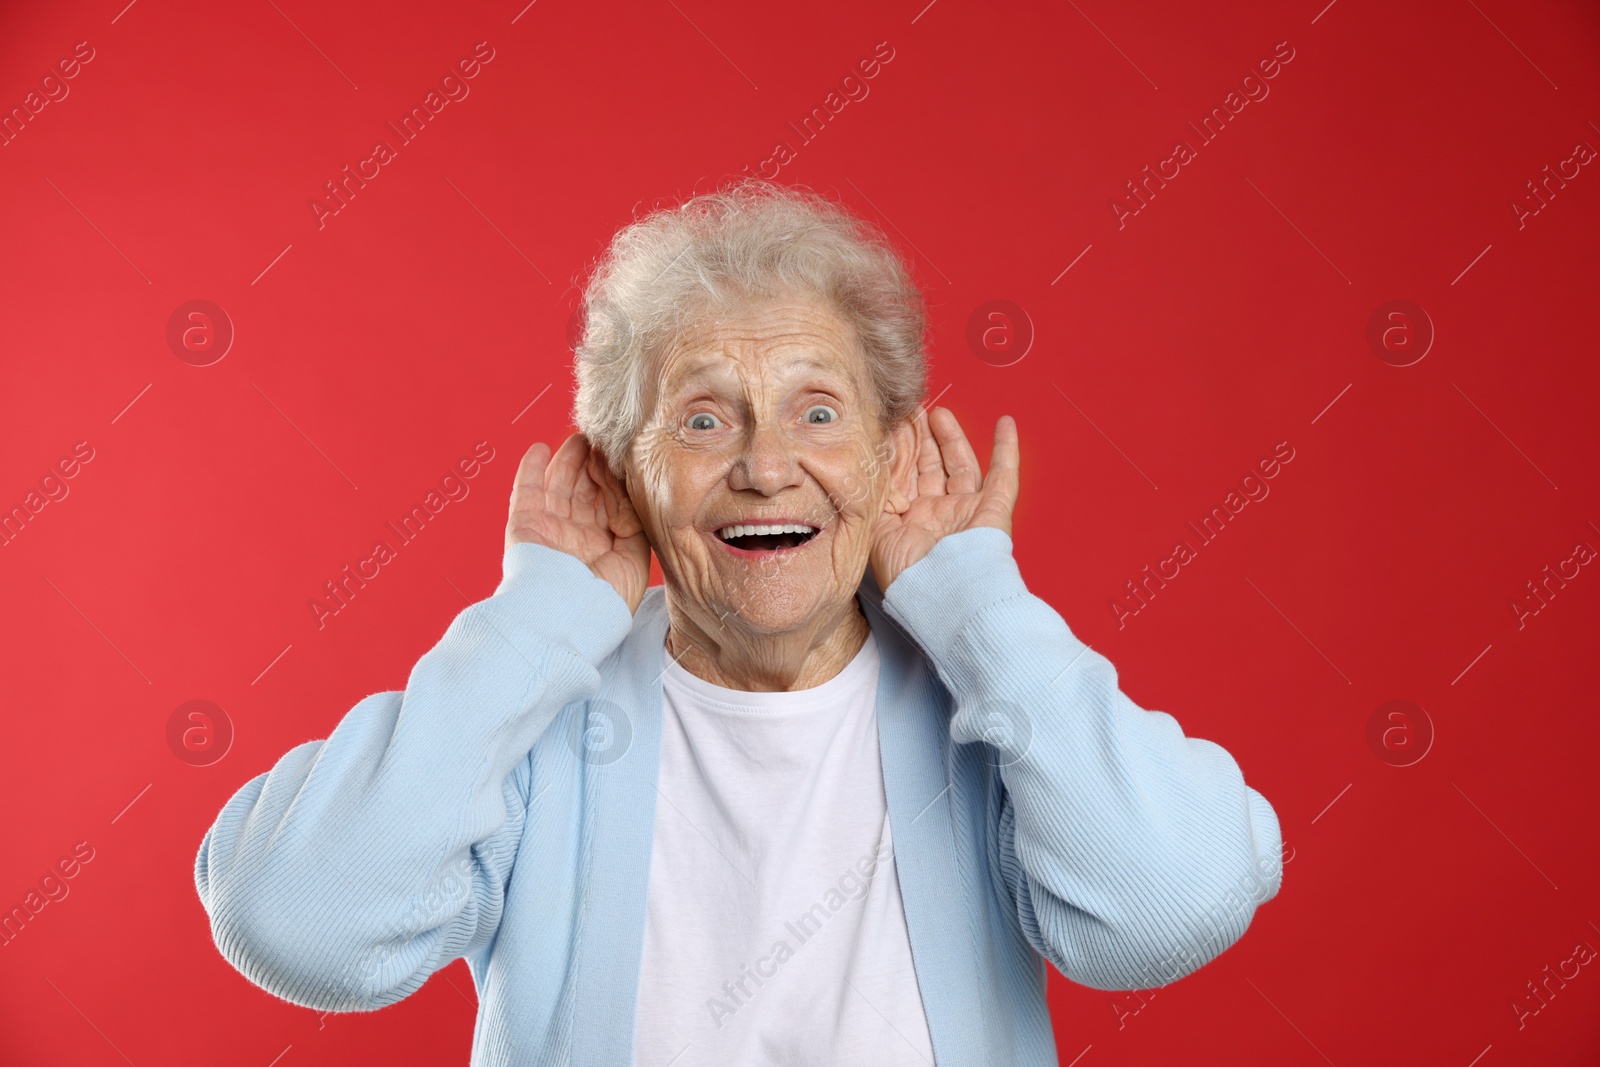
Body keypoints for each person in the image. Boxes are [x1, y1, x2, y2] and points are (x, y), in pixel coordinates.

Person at [195, 179, 1283, 1067]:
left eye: (819, 412)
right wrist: (532, 623)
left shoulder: (982, 702)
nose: (767, 468)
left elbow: (1175, 906)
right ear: (625, 472)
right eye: (704, 418)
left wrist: (975, 601)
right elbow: (298, 926)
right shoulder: (536, 718)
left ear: (890, 454)